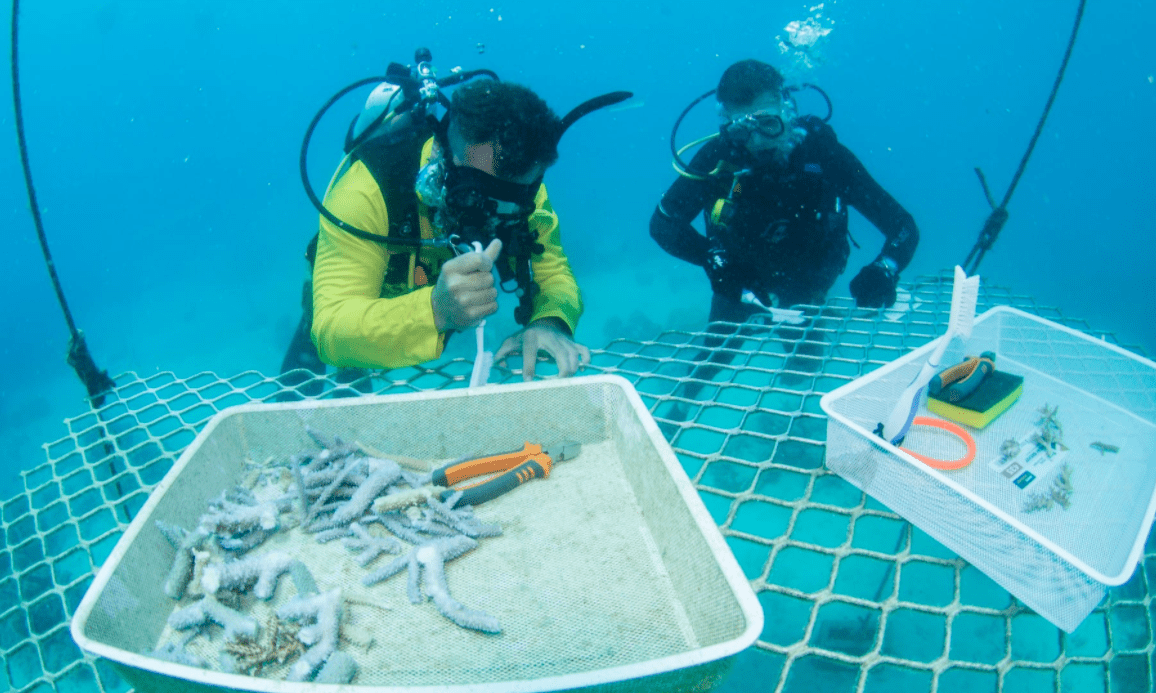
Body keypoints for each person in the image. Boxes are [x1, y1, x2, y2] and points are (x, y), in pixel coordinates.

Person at [279, 79, 592, 393]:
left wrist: (550, 323)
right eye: (477, 195)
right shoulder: (362, 192)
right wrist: (436, 311)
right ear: (441, 150)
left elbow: (554, 275)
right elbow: (332, 327)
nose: (496, 214)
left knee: (355, 367)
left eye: (514, 201)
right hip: (368, 282)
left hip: (423, 288)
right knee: (332, 349)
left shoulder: (525, 189)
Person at [650, 59, 919, 404]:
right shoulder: (720, 156)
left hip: (808, 275)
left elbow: (903, 226)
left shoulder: (824, 154)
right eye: (742, 129)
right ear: (726, 123)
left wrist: (885, 269)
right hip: (740, 274)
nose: (758, 141)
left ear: (786, 108)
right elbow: (662, 225)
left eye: (768, 123)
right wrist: (714, 261)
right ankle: (678, 410)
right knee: (713, 357)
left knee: (805, 362)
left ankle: (788, 403)